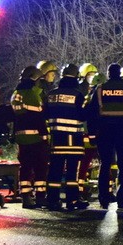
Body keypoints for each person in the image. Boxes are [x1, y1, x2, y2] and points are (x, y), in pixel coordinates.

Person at [86, 63, 123, 209]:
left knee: (105, 164)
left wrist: (92, 132)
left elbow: (91, 113)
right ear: (119, 73)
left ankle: (103, 197)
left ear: (108, 73)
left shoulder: (100, 89)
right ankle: (122, 198)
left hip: (104, 131)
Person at [44, 64, 89, 211]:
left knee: (55, 170)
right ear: (76, 77)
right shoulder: (78, 95)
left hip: (56, 138)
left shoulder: (51, 94)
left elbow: (45, 114)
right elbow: (83, 115)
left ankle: (52, 200)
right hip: (73, 139)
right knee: (72, 171)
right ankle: (72, 200)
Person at [11, 65, 48, 208]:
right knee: (40, 167)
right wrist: (44, 135)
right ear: (34, 79)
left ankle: (25, 197)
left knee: (25, 167)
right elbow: (38, 117)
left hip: (21, 137)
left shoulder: (16, 93)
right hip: (35, 137)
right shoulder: (32, 95)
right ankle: (40, 197)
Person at [77, 71, 105, 202]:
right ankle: (105, 191)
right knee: (104, 162)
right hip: (98, 135)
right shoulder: (99, 97)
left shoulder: (89, 98)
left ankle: (80, 189)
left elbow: (84, 116)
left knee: (84, 164)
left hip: (89, 135)